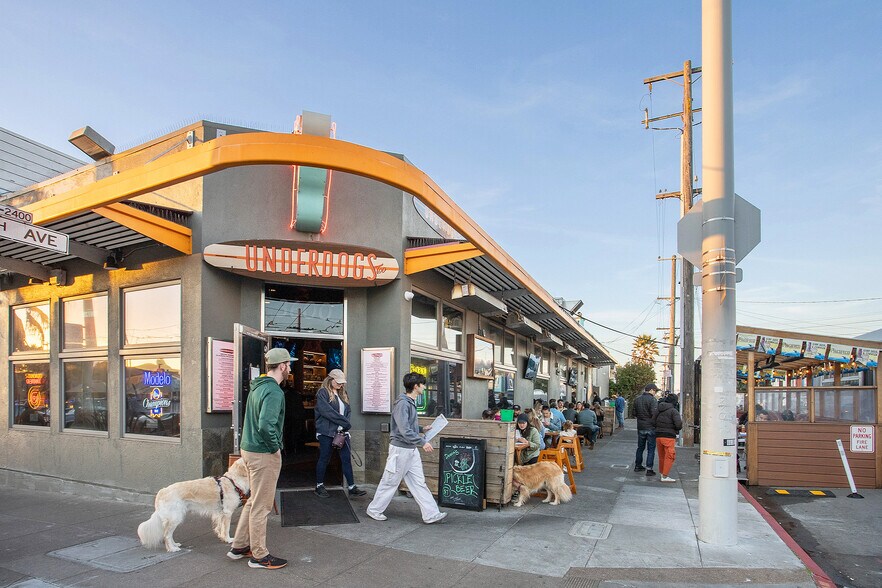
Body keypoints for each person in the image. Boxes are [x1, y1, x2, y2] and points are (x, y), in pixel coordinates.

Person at [228, 347, 292, 570]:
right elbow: (266, 424)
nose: (290, 368)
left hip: (249, 450)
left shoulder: (257, 388)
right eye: (288, 365)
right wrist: (275, 447)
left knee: (254, 501)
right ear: (282, 366)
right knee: (262, 505)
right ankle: (259, 555)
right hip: (263, 453)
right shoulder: (274, 392)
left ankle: (239, 546)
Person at [366, 372, 447, 524]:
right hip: (400, 450)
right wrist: (422, 442)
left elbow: (407, 426)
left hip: (409, 449)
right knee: (390, 482)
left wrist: (422, 429)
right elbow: (404, 429)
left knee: (418, 483)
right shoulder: (403, 403)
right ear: (416, 386)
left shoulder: (408, 402)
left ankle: (431, 514)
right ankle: (374, 509)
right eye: (422, 384)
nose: (424, 387)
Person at [314, 369, 366, 499]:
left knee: (346, 460)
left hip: (342, 432)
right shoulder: (323, 393)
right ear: (330, 380)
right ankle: (319, 485)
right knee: (324, 458)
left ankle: (351, 487)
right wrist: (345, 423)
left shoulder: (343, 393)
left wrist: (345, 425)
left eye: (342, 383)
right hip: (326, 432)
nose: (341, 385)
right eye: (338, 382)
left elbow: (348, 411)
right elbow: (327, 412)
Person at [652, 393, 683, 482]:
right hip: (669, 436)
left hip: (658, 435)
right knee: (669, 456)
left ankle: (662, 474)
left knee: (661, 456)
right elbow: (678, 425)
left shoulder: (659, 409)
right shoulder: (674, 411)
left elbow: (653, 421)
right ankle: (665, 476)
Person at [634, 383, 659, 477]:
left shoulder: (637, 399)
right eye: (655, 391)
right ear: (651, 390)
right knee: (651, 449)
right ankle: (649, 468)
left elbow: (634, 413)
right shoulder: (653, 400)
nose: (655, 393)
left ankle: (638, 465)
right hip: (651, 427)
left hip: (640, 426)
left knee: (640, 447)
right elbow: (654, 414)